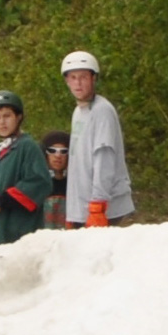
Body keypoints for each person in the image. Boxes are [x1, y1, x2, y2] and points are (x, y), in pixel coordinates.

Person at [62, 51, 135, 228]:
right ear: (67, 81)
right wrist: (73, 210)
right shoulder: (78, 112)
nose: (78, 83)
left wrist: (98, 204)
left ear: (93, 78)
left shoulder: (102, 111)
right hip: (82, 205)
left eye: (83, 77)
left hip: (103, 206)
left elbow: (104, 158)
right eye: (73, 77)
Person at [0, 91, 52, 244]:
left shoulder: (27, 146)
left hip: (19, 234)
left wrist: (0, 201)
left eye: (7, 116)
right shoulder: (1, 152)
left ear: (18, 117)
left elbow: (40, 182)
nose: (2, 122)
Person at [41, 130, 70, 229]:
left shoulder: (74, 186)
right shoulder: (38, 184)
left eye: (64, 151)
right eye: (52, 150)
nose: (58, 156)